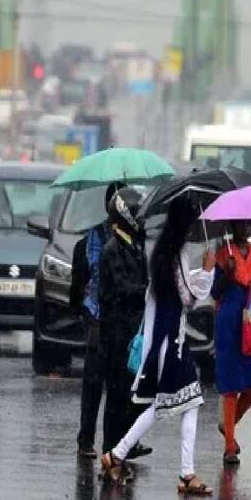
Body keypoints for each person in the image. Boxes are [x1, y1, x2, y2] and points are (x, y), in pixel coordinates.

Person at [101, 197, 216, 495]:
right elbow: (188, 298)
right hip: (172, 344)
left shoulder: (162, 254)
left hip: (169, 342)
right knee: (181, 403)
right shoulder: (175, 255)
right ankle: (181, 472)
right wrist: (207, 272)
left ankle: (120, 454)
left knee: (174, 404)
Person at [98, 188, 152, 459]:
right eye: (137, 214)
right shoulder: (112, 249)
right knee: (117, 395)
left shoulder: (134, 244)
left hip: (132, 330)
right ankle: (111, 450)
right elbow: (121, 288)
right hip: (116, 333)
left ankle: (126, 444)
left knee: (134, 392)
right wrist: (147, 289)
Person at [213, 220, 251, 466]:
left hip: (249, 321)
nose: (245, 228)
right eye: (240, 224)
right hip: (228, 323)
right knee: (231, 386)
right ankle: (229, 446)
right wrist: (228, 274)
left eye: (248, 224)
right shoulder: (223, 254)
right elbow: (215, 292)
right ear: (232, 226)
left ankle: (228, 425)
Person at [76, 181, 121, 458]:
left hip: (121, 320)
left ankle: (114, 445)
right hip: (97, 315)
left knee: (119, 385)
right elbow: (96, 268)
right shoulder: (97, 235)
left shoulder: (134, 236)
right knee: (93, 382)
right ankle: (85, 440)